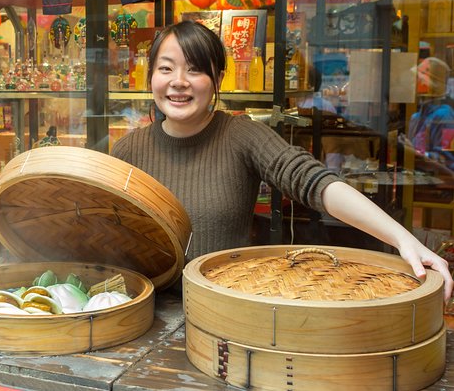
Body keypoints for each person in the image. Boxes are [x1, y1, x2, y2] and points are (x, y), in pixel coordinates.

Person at [110, 20, 454, 300]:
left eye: (196, 70)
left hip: (227, 309)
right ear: (151, 77)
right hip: (145, 314)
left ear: (217, 79)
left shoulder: (240, 135)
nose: (179, 82)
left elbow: (316, 183)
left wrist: (403, 239)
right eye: (166, 68)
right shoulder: (128, 151)